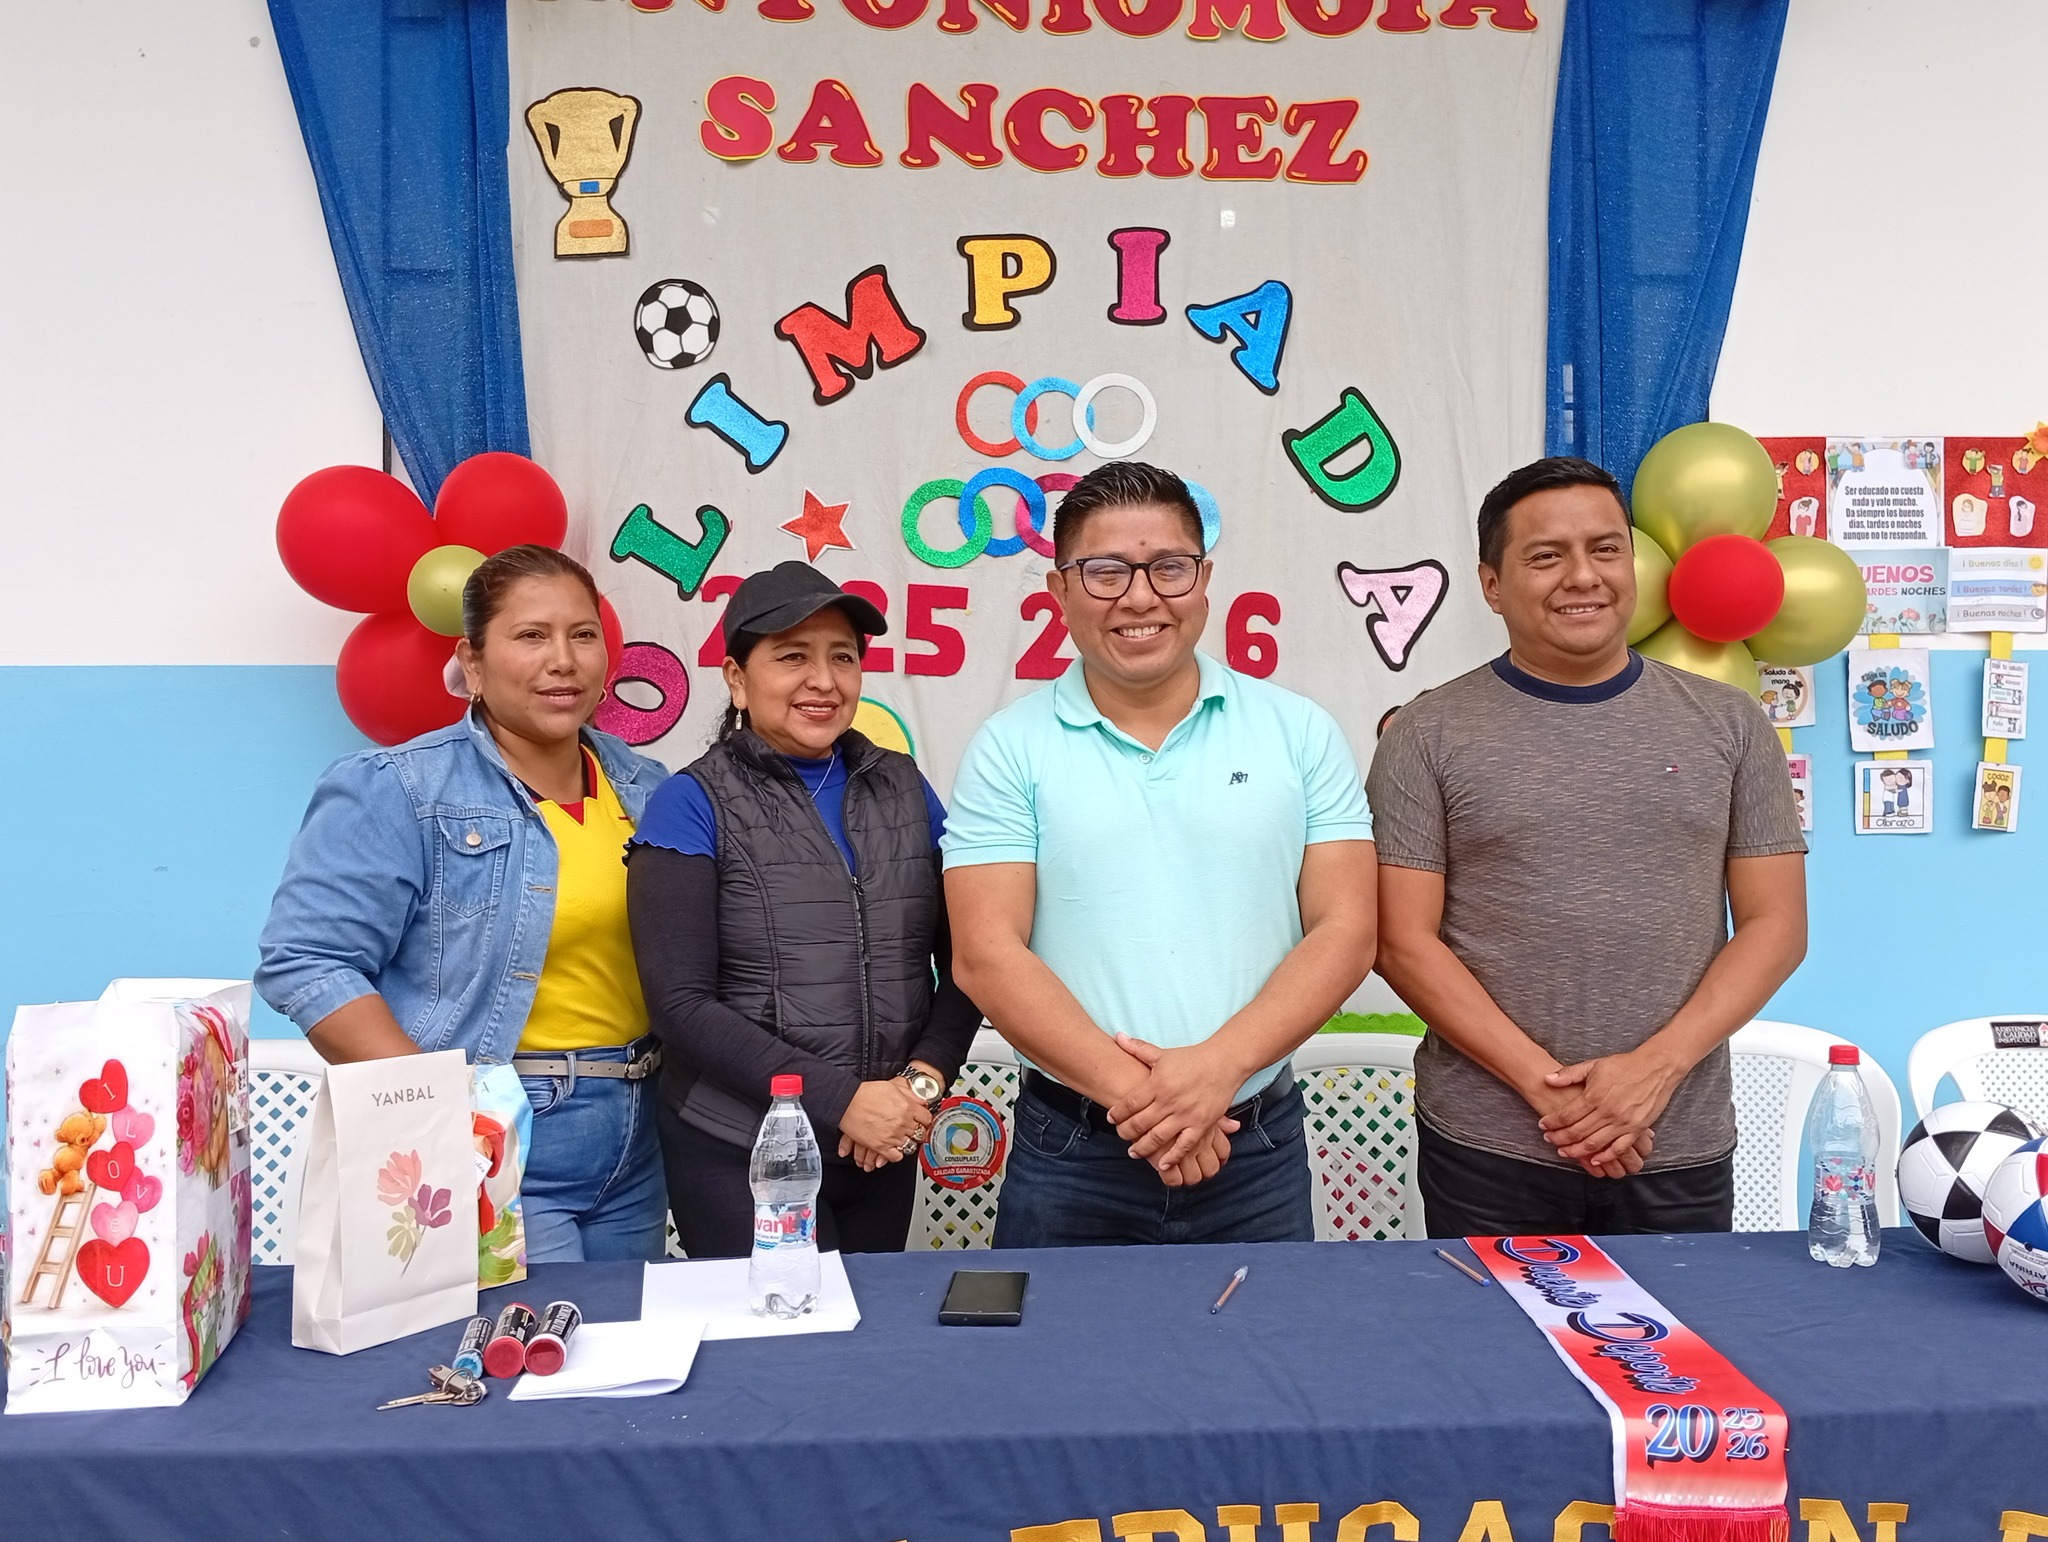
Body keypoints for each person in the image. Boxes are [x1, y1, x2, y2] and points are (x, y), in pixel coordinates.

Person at [1369, 456, 1808, 1237]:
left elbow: (1777, 927)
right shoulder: (1425, 735)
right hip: (1490, 1145)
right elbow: (1401, 942)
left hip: (1674, 1137)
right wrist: (1554, 1092)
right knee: (1488, 1323)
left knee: (1680, 1323)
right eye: (1546, 556)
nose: (1583, 576)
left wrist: (1653, 1072)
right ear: (1492, 584)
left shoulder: (1733, 723)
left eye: (1606, 549)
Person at [945, 461, 1379, 1248]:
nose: (1140, 597)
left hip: (1255, 1147)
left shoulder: (1300, 732)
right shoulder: (1008, 748)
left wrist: (1218, 1071)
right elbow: (986, 955)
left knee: (1265, 1335)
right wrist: (1155, 1106)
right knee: (1054, 1336)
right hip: (1073, 1152)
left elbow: (1346, 930)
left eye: (1168, 568)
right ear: (1059, 590)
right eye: (1105, 572)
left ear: (1204, 580)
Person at [257, 545, 672, 1262]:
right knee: (530, 1332)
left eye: (582, 634)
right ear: (472, 663)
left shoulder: (647, 784)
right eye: (531, 635)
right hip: (496, 1128)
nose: (563, 660)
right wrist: (437, 1109)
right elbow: (308, 962)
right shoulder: (400, 787)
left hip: (642, 1129)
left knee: (627, 1331)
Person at [627, 562, 982, 1258]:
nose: (824, 680)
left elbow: (974, 956)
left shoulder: (904, 788)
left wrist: (917, 1085)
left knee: (869, 1324)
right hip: (741, 1151)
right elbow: (680, 1005)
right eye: (792, 657)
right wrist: (844, 1100)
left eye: (842, 657)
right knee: (776, 1328)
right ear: (737, 678)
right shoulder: (690, 802)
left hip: (880, 1144)